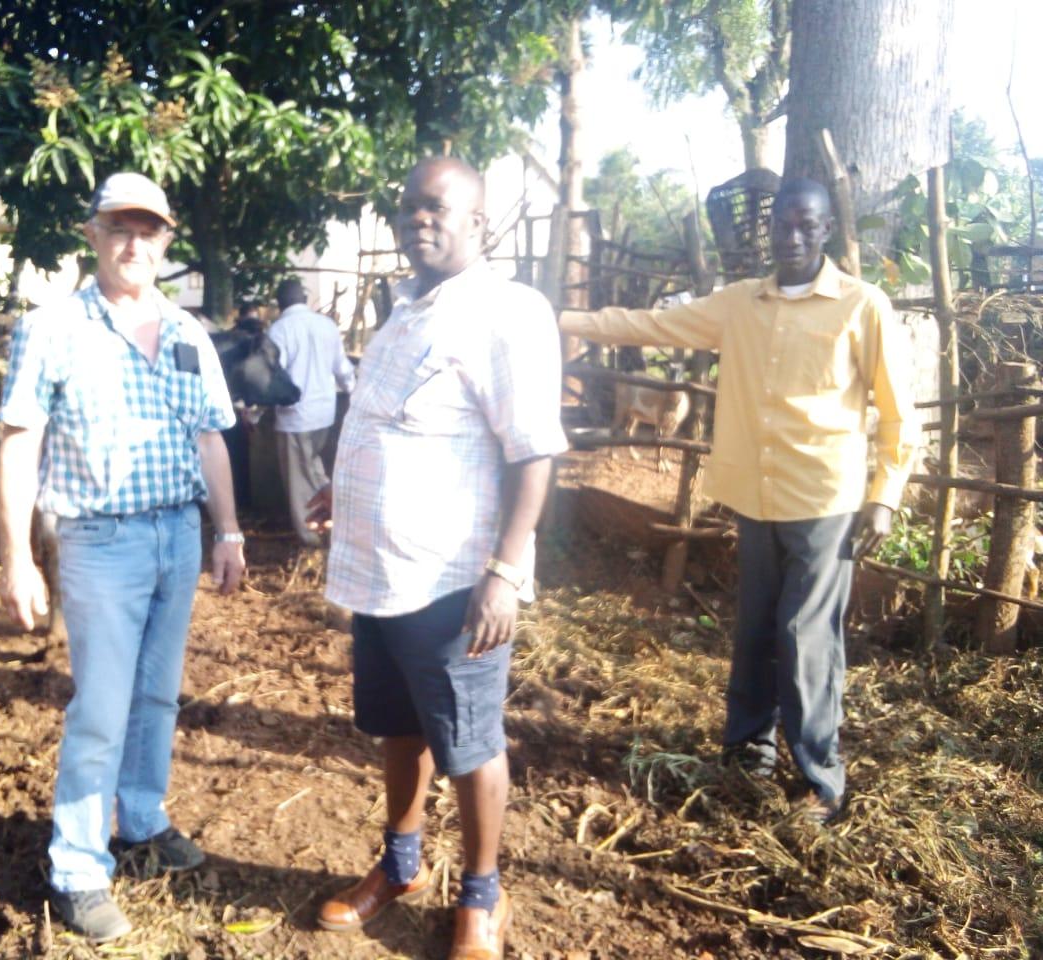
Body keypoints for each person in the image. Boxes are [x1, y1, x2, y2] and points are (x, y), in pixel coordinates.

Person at [559, 177, 919, 823]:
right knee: (754, 624)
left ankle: (820, 779)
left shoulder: (863, 306)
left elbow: (897, 413)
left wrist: (884, 496)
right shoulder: (738, 304)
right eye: (783, 224)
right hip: (755, 496)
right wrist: (563, 319)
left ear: (826, 231)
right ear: (770, 230)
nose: (793, 236)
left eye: (806, 225)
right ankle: (747, 750)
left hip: (825, 498)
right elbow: (652, 324)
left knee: (805, 634)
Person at [307, 157, 567, 960]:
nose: (420, 220)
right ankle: (401, 867)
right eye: (409, 208)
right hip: (379, 574)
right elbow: (386, 426)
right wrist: (338, 498)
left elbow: (533, 454)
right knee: (398, 730)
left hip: (453, 581)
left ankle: (481, 902)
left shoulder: (507, 311)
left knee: (471, 743)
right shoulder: (402, 312)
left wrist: (505, 573)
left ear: (479, 222)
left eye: (438, 208)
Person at [0, 171, 246, 942]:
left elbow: (211, 436)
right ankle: (76, 866)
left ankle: (139, 819)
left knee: (158, 697)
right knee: (101, 709)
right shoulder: (54, 327)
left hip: (178, 534)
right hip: (100, 541)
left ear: (168, 240)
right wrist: (16, 557)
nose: (135, 243)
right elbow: (19, 441)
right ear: (93, 234)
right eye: (119, 228)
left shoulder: (186, 333)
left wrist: (228, 531)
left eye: (150, 230)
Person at [266, 277, 356, 546]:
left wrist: (255, 412)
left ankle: (313, 541)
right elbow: (343, 368)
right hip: (325, 414)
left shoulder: (279, 331)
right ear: (304, 300)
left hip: (296, 417)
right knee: (314, 469)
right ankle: (332, 525)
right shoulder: (327, 325)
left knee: (302, 481)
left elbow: (272, 378)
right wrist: (355, 394)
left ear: (279, 303)